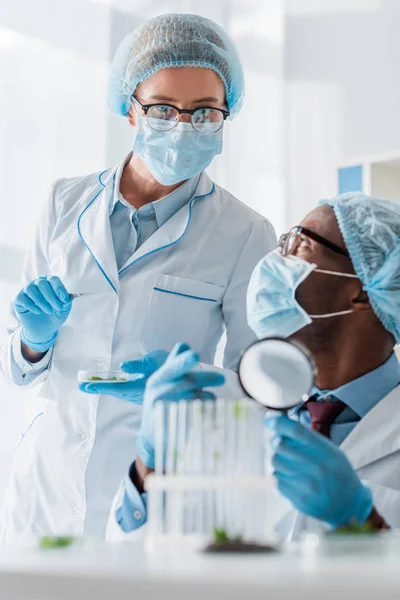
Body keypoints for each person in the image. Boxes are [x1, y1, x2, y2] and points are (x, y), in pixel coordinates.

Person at [0, 14, 276, 543]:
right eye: (164, 108)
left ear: (226, 115)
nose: (183, 125)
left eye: (204, 112)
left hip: (158, 488)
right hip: (46, 490)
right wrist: (34, 343)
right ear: (130, 107)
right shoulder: (63, 202)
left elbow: (259, 388)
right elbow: (16, 372)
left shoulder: (246, 234)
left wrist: (191, 390)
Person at [106, 192, 400, 541]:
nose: (276, 259)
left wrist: (364, 521)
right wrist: (149, 464)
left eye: (300, 245)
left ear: (363, 291)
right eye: (283, 243)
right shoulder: (235, 416)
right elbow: (139, 561)